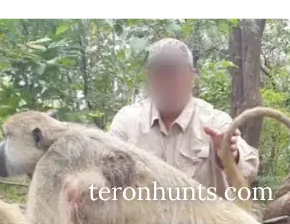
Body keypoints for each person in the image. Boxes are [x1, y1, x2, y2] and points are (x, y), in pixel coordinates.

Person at [109, 38, 259, 197]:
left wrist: (229, 157)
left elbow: (249, 167)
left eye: (175, 73)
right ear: (149, 77)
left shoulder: (214, 121)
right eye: (160, 73)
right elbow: (104, 168)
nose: (167, 82)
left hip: (204, 212)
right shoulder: (128, 121)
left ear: (192, 77)